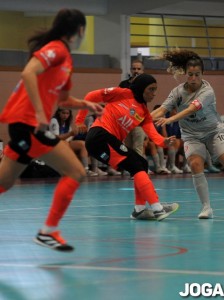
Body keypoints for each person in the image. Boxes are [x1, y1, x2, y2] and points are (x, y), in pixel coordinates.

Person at [0, 9, 102, 252]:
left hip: (25, 126)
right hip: (28, 124)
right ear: (79, 30)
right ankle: (48, 231)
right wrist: (38, 113)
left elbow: (63, 99)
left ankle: (48, 232)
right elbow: (28, 72)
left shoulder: (66, 59)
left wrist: (84, 104)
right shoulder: (56, 49)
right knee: (76, 171)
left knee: (4, 182)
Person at [152, 49, 224, 219]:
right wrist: (142, 119)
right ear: (186, 73)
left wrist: (171, 120)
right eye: (190, 74)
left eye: (197, 75)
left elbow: (192, 108)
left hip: (213, 132)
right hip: (191, 135)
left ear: (202, 74)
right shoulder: (177, 91)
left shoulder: (207, 91)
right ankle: (206, 208)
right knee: (195, 165)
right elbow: (163, 109)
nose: (193, 78)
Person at [75, 73, 179, 221]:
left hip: (105, 143)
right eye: (151, 89)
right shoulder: (122, 93)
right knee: (136, 165)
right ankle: (157, 208)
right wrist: (79, 120)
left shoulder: (143, 112)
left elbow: (152, 134)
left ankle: (139, 209)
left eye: (155, 90)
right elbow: (90, 96)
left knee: (141, 163)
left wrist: (164, 142)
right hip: (99, 135)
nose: (154, 94)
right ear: (141, 89)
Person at [49, 108, 98, 176]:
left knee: (83, 144)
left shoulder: (67, 122)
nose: (65, 115)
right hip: (53, 145)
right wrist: (70, 134)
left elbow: (69, 137)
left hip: (64, 143)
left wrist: (75, 133)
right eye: (63, 113)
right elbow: (56, 138)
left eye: (67, 114)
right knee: (65, 143)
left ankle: (85, 169)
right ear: (59, 113)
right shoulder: (54, 121)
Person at [120, 60, 148, 173]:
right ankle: (130, 168)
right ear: (131, 70)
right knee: (127, 147)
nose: (136, 71)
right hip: (125, 121)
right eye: (134, 69)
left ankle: (138, 170)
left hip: (138, 121)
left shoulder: (147, 85)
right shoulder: (123, 84)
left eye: (138, 69)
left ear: (142, 71)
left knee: (138, 147)